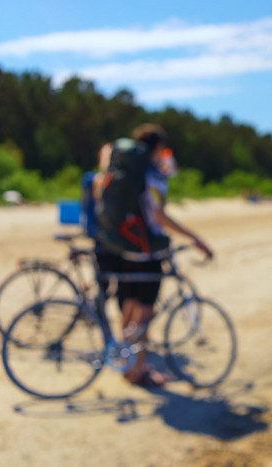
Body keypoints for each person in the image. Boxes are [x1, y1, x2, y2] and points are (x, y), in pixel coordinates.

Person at [97, 124, 213, 386]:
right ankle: (138, 371)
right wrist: (194, 237)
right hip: (147, 251)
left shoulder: (128, 170)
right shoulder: (152, 176)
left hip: (125, 247)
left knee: (127, 307)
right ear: (159, 148)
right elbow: (158, 215)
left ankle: (127, 365)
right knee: (145, 314)